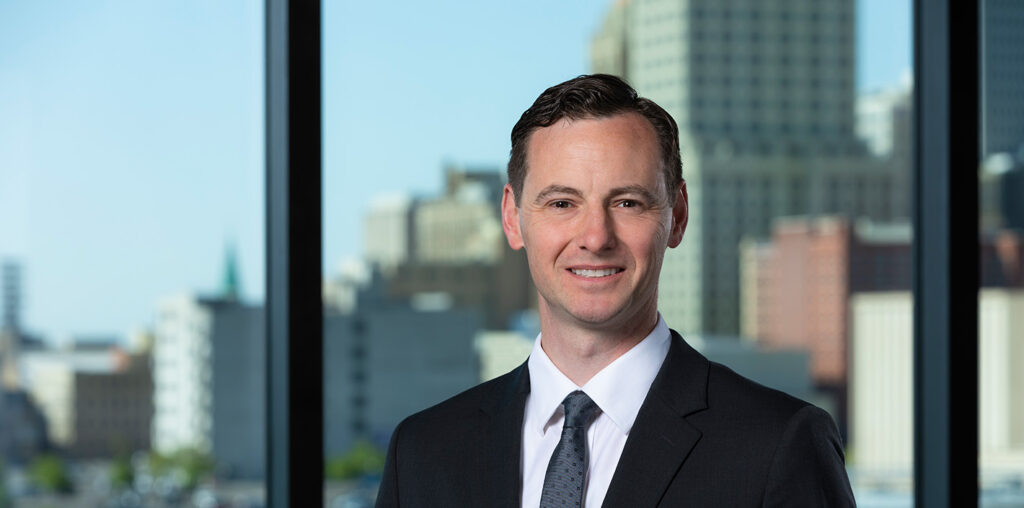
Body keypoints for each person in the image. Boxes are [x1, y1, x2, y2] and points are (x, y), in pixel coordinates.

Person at [375, 74, 855, 507]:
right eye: (562, 203)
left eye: (627, 202)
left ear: (678, 215)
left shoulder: (778, 444)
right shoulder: (423, 452)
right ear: (512, 217)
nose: (595, 237)